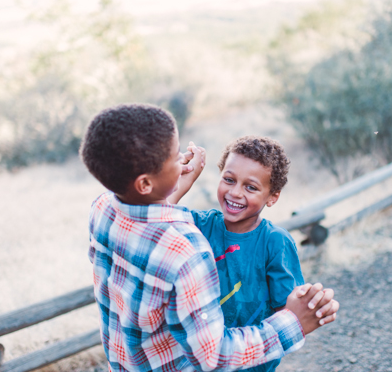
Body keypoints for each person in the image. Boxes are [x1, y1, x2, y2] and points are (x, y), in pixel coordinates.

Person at [80, 103, 339, 372]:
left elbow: (146, 220)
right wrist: (294, 322)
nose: (182, 160)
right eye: (172, 157)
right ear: (145, 183)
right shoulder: (186, 250)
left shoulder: (102, 210)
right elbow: (213, 356)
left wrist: (167, 185)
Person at [169, 136, 306, 372]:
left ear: (273, 196)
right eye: (229, 180)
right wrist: (182, 183)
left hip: (252, 362)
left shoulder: (275, 242)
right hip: (201, 361)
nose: (235, 192)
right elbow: (154, 223)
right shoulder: (199, 225)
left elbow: (290, 312)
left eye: (251, 187)